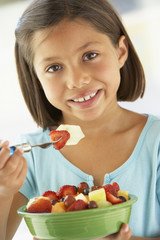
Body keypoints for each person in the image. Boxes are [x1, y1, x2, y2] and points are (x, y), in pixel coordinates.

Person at [0, 0, 159, 239]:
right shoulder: (30, 158)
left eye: (90, 55)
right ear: (36, 77)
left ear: (120, 52)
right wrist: (3, 192)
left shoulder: (156, 143)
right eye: (54, 68)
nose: (76, 80)